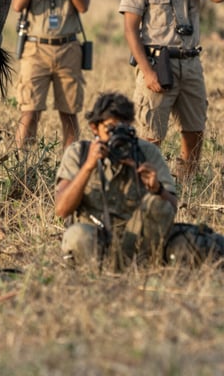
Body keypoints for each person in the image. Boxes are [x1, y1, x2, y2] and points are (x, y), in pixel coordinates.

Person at [119, 0, 224, 178]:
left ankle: (185, 184)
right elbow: (131, 30)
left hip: (190, 63)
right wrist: (147, 71)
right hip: (157, 63)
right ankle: (146, 186)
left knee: (194, 131)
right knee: (151, 135)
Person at [55, 92, 177, 270]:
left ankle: (145, 266)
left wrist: (158, 189)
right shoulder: (79, 153)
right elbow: (61, 210)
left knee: (159, 204)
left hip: (136, 239)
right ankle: (97, 272)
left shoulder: (147, 152)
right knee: (77, 234)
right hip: (95, 237)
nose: (116, 136)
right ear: (94, 128)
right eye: (110, 129)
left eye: (124, 129)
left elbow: (171, 208)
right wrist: (88, 167)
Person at [12, 0, 90, 151]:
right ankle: (22, 161)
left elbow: (83, 7)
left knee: (69, 111)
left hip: (68, 48)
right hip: (35, 48)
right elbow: (17, 6)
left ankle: (72, 162)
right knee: (30, 110)